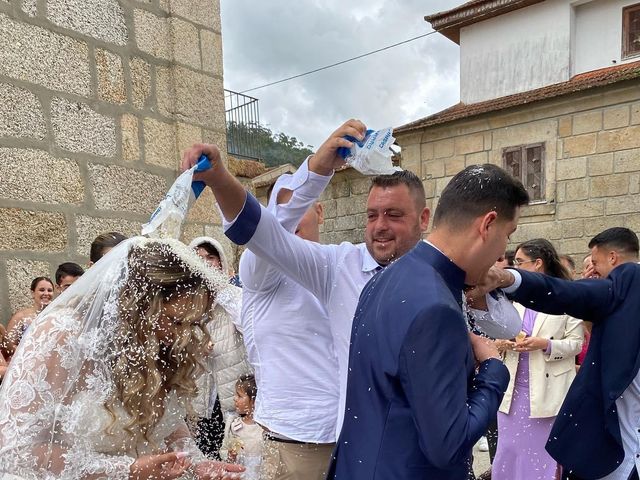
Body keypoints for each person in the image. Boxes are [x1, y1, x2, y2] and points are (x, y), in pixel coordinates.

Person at [180, 121, 523, 441]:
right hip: (344, 443)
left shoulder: (443, 271)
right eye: (372, 215)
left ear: (423, 219)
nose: (380, 226)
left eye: (394, 215)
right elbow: (264, 232)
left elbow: (507, 326)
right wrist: (223, 177)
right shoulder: (336, 265)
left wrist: (494, 283)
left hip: (419, 444)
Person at [325, 163, 529, 478]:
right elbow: (447, 445)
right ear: (487, 225)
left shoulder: (386, 277)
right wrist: (493, 370)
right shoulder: (437, 307)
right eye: (508, 234)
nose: (505, 249)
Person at [0, 238, 244, 479]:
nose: (183, 335)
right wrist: (127, 470)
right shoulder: (63, 336)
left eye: (193, 323)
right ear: (140, 306)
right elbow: (17, 450)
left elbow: (166, 420)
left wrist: (194, 462)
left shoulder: (161, 346)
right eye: (175, 321)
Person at [490, 227, 640, 480]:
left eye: (595, 262)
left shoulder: (629, 276)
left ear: (613, 258)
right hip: (518, 395)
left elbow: (566, 297)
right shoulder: (615, 299)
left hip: (579, 409)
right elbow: (597, 334)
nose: (592, 269)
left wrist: (508, 279)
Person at [491, 239, 584, 480]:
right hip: (513, 391)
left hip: (547, 391)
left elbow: (577, 343)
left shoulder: (566, 297)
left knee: (540, 456)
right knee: (508, 451)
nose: (516, 267)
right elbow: (501, 331)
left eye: (520, 262)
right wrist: (504, 343)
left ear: (538, 264)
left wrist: (546, 344)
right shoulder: (516, 297)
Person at [188, 236, 252, 460]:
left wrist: (221, 290)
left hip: (233, 389)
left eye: (211, 257)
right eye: (198, 257)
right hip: (200, 391)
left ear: (220, 262)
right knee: (204, 453)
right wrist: (196, 348)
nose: (204, 262)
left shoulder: (235, 296)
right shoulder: (187, 301)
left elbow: (250, 330)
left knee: (234, 453)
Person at [221, 375, 264, 479]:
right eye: (235, 395)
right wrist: (230, 456)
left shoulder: (264, 429)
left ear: (254, 402)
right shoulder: (234, 425)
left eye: (239, 396)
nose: (235, 399)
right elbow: (224, 451)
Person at [4, 276, 54, 357]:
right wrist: (30, 352)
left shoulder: (57, 316)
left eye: (50, 290)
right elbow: (7, 346)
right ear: (33, 293)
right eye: (42, 290)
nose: (46, 293)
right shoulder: (21, 317)